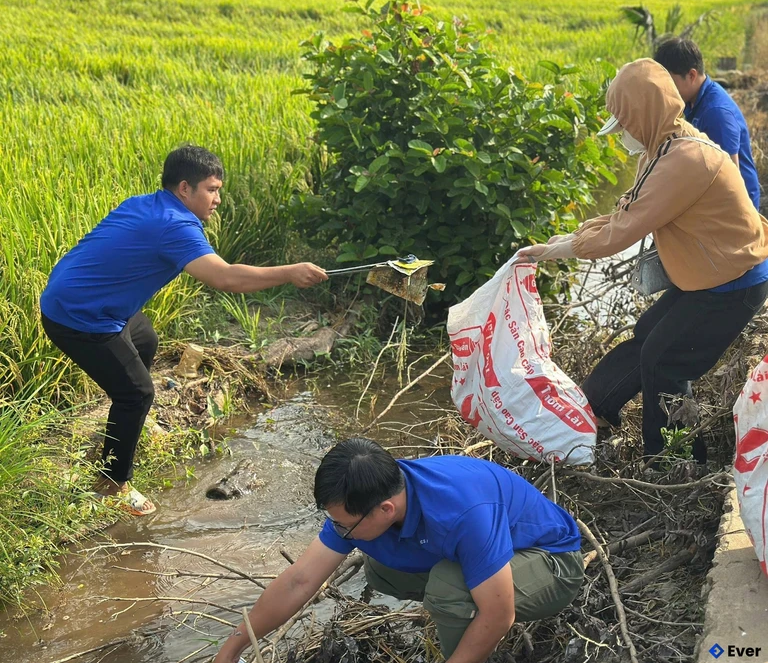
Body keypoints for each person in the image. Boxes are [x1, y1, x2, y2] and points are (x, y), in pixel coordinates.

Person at [40, 146, 328, 514]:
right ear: (184, 188)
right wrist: (289, 273)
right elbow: (224, 277)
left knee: (145, 338)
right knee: (138, 393)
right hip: (78, 317)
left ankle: (124, 419)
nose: (218, 199)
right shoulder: (173, 225)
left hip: (83, 299)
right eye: (212, 189)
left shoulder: (147, 204)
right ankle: (112, 484)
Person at [516, 58, 768, 463]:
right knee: (649, 330)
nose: (623, 136)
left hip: (735, 281)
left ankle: (676, 458)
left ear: (645, 114)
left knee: (665, 359)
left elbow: (623, 232)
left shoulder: (683, 161)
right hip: (709, 274)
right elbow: (624, 212)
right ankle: (594, 406)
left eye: (624, 124)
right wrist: (571, 237)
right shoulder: (660, 148)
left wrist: (557, 251)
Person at [213, 438, 584, 663]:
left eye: (345, 525)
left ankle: (460, 638)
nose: (339, 531)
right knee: (380, 568)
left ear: (385, 509)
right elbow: (299, 580)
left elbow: (500, 614)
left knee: (449, 587)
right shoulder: (369, 496)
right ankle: (456, 615)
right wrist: (232, 649)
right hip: (487, 557)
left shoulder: (463, 513)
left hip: (552, 562)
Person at [654, 37, 761, 210]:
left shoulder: (716, 113)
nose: (667, 90)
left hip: (735, 210)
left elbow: (730, 178)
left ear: (691, 75)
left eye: (671, 83)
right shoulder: (693, 100)